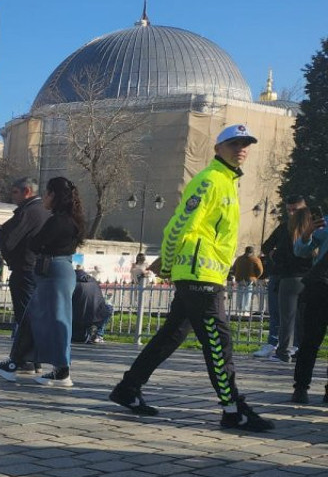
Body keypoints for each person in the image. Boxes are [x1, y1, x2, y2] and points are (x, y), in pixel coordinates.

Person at [109, 125, 273, 431]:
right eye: (234, 143)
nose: (241, 148)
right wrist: (169, 266)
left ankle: (128, 388)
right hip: (199, 275)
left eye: (246, 143)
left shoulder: (226, 182)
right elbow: (177, 227)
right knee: (218, 341)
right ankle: (232, 408)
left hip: (205, 274)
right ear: (217, 149)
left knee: (172, 334)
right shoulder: (210, 180)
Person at [0, 177, 85, 387]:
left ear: (55, 196)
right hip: (57, 270)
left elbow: (36, 243)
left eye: (48, 194)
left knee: (57, 321)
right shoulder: (70, 219)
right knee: (33, 319)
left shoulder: (59, 220)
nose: (45, 199)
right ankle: (16, 363)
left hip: (53, 271)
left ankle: (61, 370)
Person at [0, 177, 49, 370]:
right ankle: (31, 359)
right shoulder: (42, 210)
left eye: (15, 192)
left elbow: (8, 241)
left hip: (24, 270)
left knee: (24, 317)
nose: (12, 195)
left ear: (26, 192)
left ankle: (18, 360)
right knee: (31, 316)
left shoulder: (28, 212)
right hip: (35, 269)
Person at [255, 195, 309, 358]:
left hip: (297, 275)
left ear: (304, 209)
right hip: (281, 273)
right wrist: (273, 255)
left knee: (297, 315)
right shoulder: (284, 227)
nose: (292, 213)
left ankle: (292, 347)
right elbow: (266, 246)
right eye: (289, 210)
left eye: (295, 210)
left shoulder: (309, 228)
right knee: (278, 313)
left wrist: (277, 255)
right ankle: (275, 343)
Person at [291, 211, 328, 403]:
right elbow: (300, 251)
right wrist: (307, 233)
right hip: (320, 288)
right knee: (310, 340)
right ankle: (301, 387)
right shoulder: (325, 224)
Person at [72, 267, 113, 343]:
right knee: (109, 308)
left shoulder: (73, 283)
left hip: (77, 316)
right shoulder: (93, 281)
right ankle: (98, 334)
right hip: (96, 314)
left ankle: (86, 334)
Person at [231, 245, 262, 315]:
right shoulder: (255, 259)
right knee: (248, 295)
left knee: (239, 295)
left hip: (239, 279)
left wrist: (236, 275)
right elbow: (260, 270)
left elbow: (234, 268)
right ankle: (245, 311)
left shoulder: (239, 259)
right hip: (250, 280)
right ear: (253, 252)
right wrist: (255, 277)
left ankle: (238, 310)